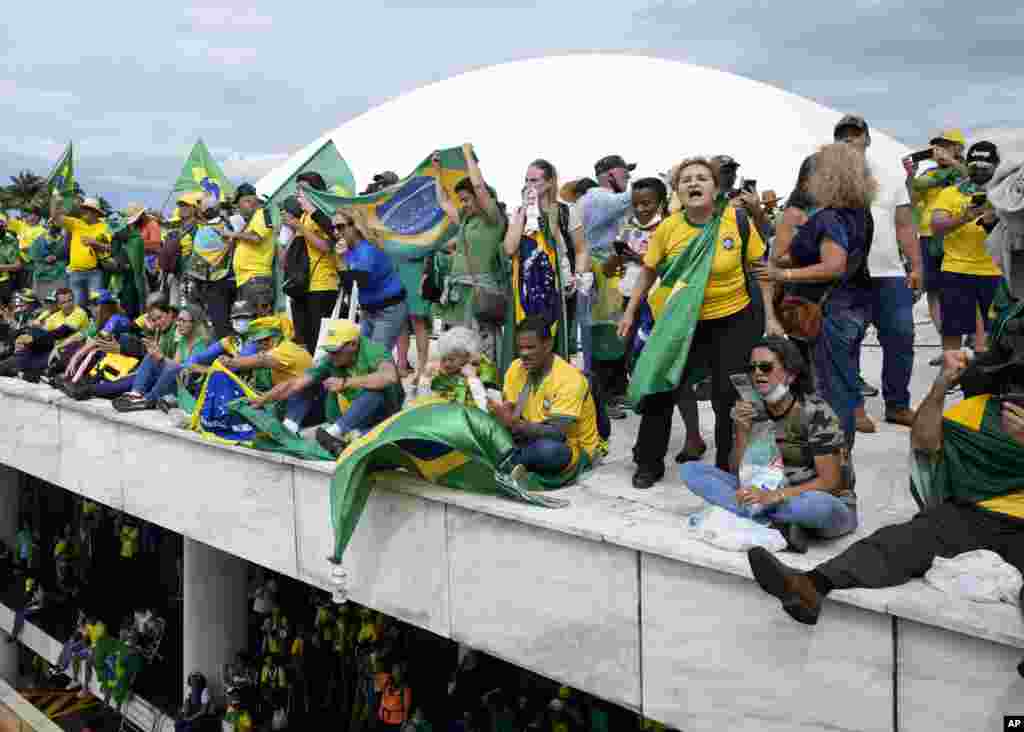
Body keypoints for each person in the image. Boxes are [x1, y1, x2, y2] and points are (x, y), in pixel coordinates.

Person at [748, 349, 1024, 626]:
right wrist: (941, 386)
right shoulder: (979, 410)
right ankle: (810, 586)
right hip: (973, 513)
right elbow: (924, 442)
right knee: (902, 539)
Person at [620, 157, 777, 488]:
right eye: (686, 179)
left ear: (715, 188)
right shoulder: (668, 228)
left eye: (702, 178)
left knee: (727, 397)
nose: (694, 183)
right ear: (677, 191)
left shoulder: (736, 221)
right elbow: (649, 270)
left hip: (732, 319)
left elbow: (760, 269)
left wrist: (772, 318)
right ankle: (648, 463)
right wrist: (630, 311)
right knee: (660, 389)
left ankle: (726, 466)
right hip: (680, 323)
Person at [781, 114, 922, 431]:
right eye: (842, 135)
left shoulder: (889, 175)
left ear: (867, 139)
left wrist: (917, 265)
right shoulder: (823, 177)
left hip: (888, 273)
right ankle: (854, 407)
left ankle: (898, 404)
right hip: (844, 278)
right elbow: (798, 218)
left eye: (855, 134)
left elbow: (904, 224)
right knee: (847, 342)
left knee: (901, 337)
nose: (850, 139)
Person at [681, 337, 856, 552]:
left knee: (816, 507)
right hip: (766, 490)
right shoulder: (753, 408)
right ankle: (777, 524)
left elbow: (830, 482)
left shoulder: (815, 412)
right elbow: (738, 473)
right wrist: (742, 430)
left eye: (765, 367)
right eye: (752, 368)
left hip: (815, 497)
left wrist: (774, 497)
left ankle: (756, 516)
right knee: (691, 471)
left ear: (790, 375)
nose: (757, 374)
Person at [754, 142, 876, 448]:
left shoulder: (829, 218)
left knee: (831, 390)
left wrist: (784, 274)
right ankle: (839, 454)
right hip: (856, 307)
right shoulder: (861, 213)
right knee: (844, 385)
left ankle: (835, 460)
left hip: (829, 312)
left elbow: (834, 265)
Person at [615, 176, 707, 462]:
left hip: (666, 308)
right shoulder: (627, 227)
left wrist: (645, 259)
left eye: (647, 203)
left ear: (662, 202)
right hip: (632, 304)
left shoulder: (673, 228)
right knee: (638, 369)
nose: (641, 209)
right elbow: (610, 268)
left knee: (675, 379)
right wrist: (619, 254)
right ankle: (654, 438)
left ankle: (691, 437)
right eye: (636, 204)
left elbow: (673, 269)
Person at [254, 319, 402, 457]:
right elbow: (295, 384)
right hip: (343, 415)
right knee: (306, 384)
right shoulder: (330, 359)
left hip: (379, 417)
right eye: (329, 351)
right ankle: (289, 429)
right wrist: (262, 399)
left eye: (335, 351)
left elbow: (389, 376)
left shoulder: (374, 350)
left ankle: (334, 435)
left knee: (374, 393)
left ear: (353, 344)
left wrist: (345, 382)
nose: (331, 356)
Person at [489, 316, 600, 489]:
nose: (524, 354)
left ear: (548, 345)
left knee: (548, 451)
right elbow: (511, 411)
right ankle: (516, 462)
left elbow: (557, 434)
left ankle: (509, 463)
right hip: (527, 437)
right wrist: (501, 414)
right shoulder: (515, 368)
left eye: (530, 347)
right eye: (521, 348)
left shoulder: (570, 379)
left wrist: (517, 426)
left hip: (568, 447)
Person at [435, 145, 507, 364]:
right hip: (458, 297)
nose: (463, 204)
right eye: (462, 200)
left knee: (480, 352)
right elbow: (443, 202)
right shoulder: (466, 220)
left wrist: (467, 155)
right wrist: (437, 171)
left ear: (481, 197)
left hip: (479, 296)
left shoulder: (493, 219)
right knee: (456, 349)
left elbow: (478, 185)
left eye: (467, 199)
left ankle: (486, 389)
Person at [930, 141, 1003, 354]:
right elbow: (936, 226)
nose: (979, 169)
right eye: (974, 165)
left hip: (996, 272)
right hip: (956, 271)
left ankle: (988, 379)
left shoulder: (1006, 193)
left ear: (996, 166)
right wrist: (964, 217)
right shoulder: (951, 193)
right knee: (952, 330)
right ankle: (951, 374)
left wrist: (994, 219)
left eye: (985, 166)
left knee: (997, 331)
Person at [576, 154, 634, 402]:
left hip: (609, 268)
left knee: (613, 329)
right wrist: (664, 181)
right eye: (625, 173)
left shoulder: (600, 198)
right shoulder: (599, 196)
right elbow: (635, 197)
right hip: (601, 269)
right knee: (605, 331)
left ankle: (616, 389)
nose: (629, 177)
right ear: (609, 175)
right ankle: (605, 395)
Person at [503, 160, 573, 359]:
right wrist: (525, 210)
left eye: (534, 180)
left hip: (552, 290)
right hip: (523, 291)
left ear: (550, 183)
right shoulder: (518, 213)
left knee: (551, 340)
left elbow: (577, 248)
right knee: (524, 341)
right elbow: (509, 248)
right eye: (526, 180)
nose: (528, 185)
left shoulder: (563, 211)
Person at [906, 128, 968, 335]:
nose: (939, 150)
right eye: (937, 146)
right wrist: (910, 175)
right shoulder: (928, 175)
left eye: (945, 145)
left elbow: (977, 183)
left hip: (958, 235)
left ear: (958, 148)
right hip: (928, 237)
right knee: (933, 290)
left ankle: (971, 340)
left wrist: (952, 163)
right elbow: (912, 201)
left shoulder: (968, 169)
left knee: (962, 288)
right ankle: (947, 344)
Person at [333, 209, 409, 350]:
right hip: (369, 309)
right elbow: (351, 286)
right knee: (365, 357)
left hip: (389, 308)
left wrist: (342, 262)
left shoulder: (366, 250)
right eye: (334, 228)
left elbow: (358, 284)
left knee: (376, 357)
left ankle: (396, 369)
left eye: (340, 226)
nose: (336, 232)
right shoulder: (351, 249)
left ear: (354, 226)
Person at [113, 304, 210, 411]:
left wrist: (161, 357)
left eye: (183, 321)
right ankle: (136, 393)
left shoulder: (201, 344)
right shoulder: (184, 340)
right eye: (178, 320)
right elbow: (174, 365)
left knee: (166, 364)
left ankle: (147, 400)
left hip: (188, 390)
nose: (178, 324)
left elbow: (187, 371)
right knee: (151, 356)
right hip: (177, 382)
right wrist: (157, 355)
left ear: (195, 323)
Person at [287, 173, 340, 352]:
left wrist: (300, 227)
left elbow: (327, 246)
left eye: (304, 189)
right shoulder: (303, 216)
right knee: (306, 338)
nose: (299, 194)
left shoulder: (323, 214)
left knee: (320, 338)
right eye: (298, 190)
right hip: (303, 284)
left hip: (322, 283)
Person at [182, 193, 236, 340]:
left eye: (200, 208)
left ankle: (226, 357)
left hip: (213, 283)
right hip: (229, 278)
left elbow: (197, 262)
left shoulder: (205, 231)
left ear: (204, 212)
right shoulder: (228, 225)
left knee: (220, 326)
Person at [50, 194, 112, 307]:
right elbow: (55, 218)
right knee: (78, 308)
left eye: (86, 210)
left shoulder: (105, 227)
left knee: (96, 306)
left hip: (95, 273)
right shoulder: (76, 223)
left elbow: (110, 248)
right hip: (75, 273)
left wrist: (95, 243)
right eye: (83, 209)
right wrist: (55, 202)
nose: (83, 212)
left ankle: (95, 324)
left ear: (95, 212)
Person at [413, 326, 496, 409]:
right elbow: (424, 406)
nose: (446, 364)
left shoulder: (486, 372)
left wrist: (473, 379)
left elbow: (488, 410)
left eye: (451, 360)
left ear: (468, 356)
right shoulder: (443, 374)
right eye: (443, 359)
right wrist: (425, 379)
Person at [223, 183, 275, 293]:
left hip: (256, 278)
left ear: (248, 201)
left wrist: (233, 234)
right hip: (248, 279)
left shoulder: (262, 214)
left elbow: (256, 238)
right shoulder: (252, 219)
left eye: (238, 205)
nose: (238, 209)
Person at [6, 207, 47, 292]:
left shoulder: (42, 231)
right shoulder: (21, 225)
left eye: (35, 215)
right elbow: (6, 220)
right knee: (13, 288)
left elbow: (39, 249)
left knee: (27, 289)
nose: (32, 217)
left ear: (39, 217)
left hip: (30, 264)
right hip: (16, 262)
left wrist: (28, 248)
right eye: (30, 214)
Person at [28, 220, 68, 301]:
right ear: (48, 226)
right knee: (43, 301)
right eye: (52, 224)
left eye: (57, 225)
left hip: (59, 275)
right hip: (42, 276)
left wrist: (56, 257)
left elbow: (68, 254)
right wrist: (43, 259)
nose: (53, 227)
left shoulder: (64, 240)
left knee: (59, 300)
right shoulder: (40, 239)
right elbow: (32, 255)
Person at [0, 215, 24, 306]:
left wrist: (2, 267)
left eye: (2, 226)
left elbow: (18, 265)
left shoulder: (10, 240)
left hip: (6, 281)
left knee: (9, 308)